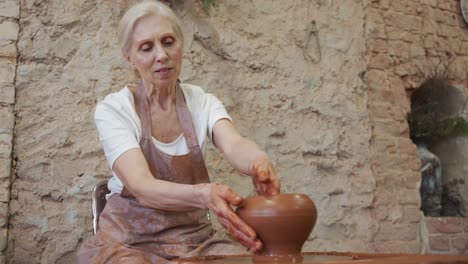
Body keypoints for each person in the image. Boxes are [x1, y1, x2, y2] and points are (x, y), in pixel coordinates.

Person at [77, 1, 280, 263]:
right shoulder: (115, 109)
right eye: (147, 48)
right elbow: (142, 186)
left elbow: (234, 144)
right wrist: (203, 195)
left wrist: (258, 162)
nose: (161, 55)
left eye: (168, 42)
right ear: (130, 57)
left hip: (195, 242)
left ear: (181, 46)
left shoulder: (201, 102)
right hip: (128, 243)